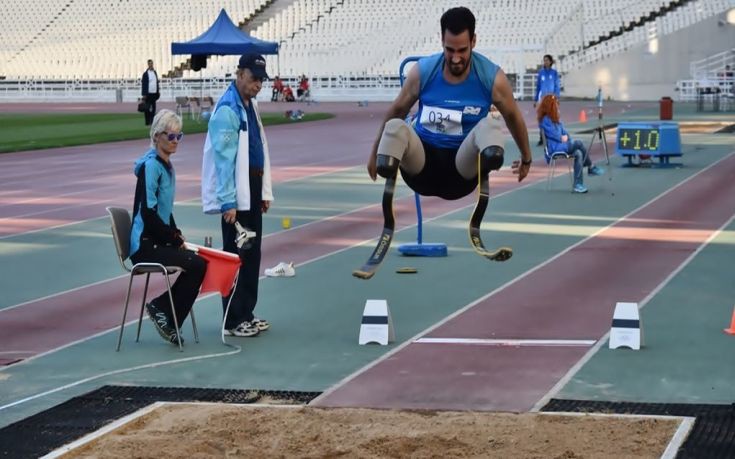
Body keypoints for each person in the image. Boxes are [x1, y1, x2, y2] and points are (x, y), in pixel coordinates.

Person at [367, 6, 532, 200]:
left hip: (461, 170)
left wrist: (526, 158)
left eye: (462, 50)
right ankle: (389, 216)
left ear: (474, 41)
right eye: (449, 50)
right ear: (442, 41)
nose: (455, 58)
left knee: (490, 125)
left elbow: (513, 116)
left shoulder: (491, 78)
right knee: (395, 126)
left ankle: (486, 177)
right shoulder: (423, 71)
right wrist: (375, 152)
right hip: (422, 167)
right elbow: (398, 109)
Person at [201, 54, 273, 337]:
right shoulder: (228, 108)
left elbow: (259, 148)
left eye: (261, 80)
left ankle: (246, 312)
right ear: (239, 73)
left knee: (252, 255)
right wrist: (228, 201)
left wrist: (264, 190)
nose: (258, 84)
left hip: (252, 188)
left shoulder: (249, 106)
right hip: (236, 193)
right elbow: (224, 160)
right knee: (235, 256)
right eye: (254, 78)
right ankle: (231, 319)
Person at [130, 109, 207, 345]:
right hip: (144, 245)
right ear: (156, 137)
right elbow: (149, 214)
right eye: (170, 136)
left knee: (197, 260)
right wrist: (173, 239)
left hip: (155, 239)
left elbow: (165, 211)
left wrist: (177, 235)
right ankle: (162, 309)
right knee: (197, 264)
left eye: (178, 136)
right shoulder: (151, 167)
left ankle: (167, 315)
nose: (175, 141)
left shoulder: (166, 166)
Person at [537, 94, 604, 194]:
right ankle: (590, 166)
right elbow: (556, 136)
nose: (557, 107)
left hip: (563, 146)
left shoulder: (557, 120)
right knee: (579, 143)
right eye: (556, 105)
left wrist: (565, 138)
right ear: (550, 106)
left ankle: (578, 184)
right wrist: (563, 138)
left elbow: (566, 135)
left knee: (578, 153)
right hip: (554, 149)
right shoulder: (545, 120)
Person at [533, 54, 560, 145]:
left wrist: (556, 97)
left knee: (552, 118)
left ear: (551, 61)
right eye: (544, 60)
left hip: (551, 99)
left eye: (547, 60)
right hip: (542, 99)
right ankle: (542, 137)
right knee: (541, 118)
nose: (545, 62)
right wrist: (536, 99)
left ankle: (552, 137)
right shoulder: (541, 73)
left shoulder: (554, 73)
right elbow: (538, 87)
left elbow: (557, 86)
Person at [141, 59, 160, 126]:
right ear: (148, 64)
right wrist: (144, 94)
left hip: (154, 93)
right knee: (147, 108)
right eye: (149, 63)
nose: (151, 65)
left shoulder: (155, 72)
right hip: (148, 94)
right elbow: (143, 84)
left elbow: (156, 82)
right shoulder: (145, 74)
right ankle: (147, 122)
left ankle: (152, 121)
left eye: (151, 63)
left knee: (153, 109)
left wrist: (158, 91)